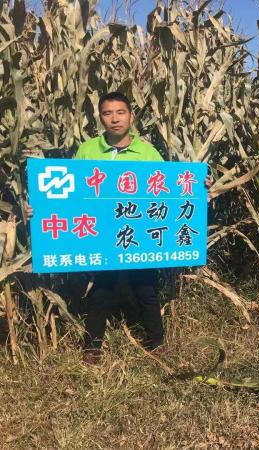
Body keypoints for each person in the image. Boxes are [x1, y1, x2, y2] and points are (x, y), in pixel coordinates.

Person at [27, 92, 211, 364]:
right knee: (101, 289)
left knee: (145, 289)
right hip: (102, 235)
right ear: (100, 118)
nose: (114, 119)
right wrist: (39, 209)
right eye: (107, 113)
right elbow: (70, 193)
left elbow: (168, 192)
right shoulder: (87, 150)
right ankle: (92, 348)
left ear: (131, 116)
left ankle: (158, 344)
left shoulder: (147, 153)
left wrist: (198, 188)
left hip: (137, 234)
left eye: (120, 112)